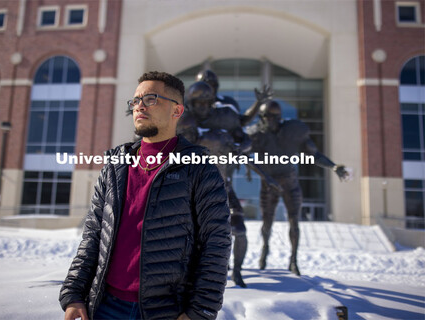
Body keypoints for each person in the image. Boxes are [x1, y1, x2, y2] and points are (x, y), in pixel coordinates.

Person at [59, 71, 231, 320]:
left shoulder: (200, 168)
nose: (139, 106)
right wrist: (74, 293)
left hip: (166, 311)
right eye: (136, 100)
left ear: (177, 111)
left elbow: (217, 244)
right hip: (105, 306)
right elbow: (94, 234)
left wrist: (200, 311)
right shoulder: (115, 165)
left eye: (151, 99)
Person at [178, 81, 276, 288]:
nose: (203, 107)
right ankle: (190, 274)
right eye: (198, 103)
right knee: (188, 234)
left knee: (239, 229)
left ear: (213, 102)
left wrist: (264, 175)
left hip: (222, 185)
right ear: (191, 103)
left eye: (207, 102)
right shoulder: (183, 121)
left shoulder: (224, 121)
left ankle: (237, 272)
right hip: (191, 190)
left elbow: (243, 140)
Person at [247, 100, 349, 276]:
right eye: (264, 117)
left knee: (294, 222)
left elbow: (314, 154)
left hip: (289, 182)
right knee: (266, 223)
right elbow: (243, 154)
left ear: (279, 118)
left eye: (271, 117)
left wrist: (333, 166)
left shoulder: (293, 131)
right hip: (269, 183)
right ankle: (264, 251)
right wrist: (258, 172)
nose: (267, 120)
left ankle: (293, 260)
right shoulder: (257, 134)